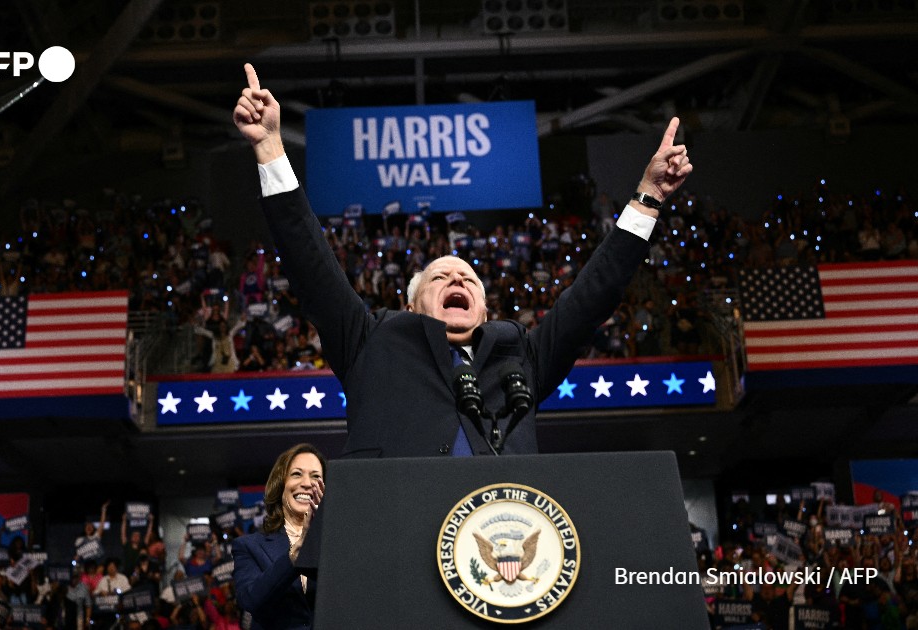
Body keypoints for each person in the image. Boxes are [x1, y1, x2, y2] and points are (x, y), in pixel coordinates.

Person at [233, 63, 691, 457]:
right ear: (412, 308)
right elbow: (310, 265)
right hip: (391, 534)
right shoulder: (372, 342)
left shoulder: (520, 354)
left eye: (469, 279)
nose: (458, 279)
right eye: (440, 277)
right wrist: (270, 147)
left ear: (486, 311)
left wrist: (648, 197)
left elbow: (595, 294)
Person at [232, 443, 325, 630]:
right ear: (280, 485)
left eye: (316, 476)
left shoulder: (341, 544)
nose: (307, 483)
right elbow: (251, 600)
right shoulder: (248, 546)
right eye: (297, 474)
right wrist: (295, 554)